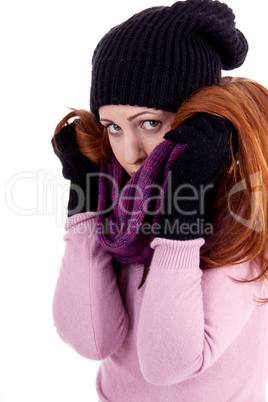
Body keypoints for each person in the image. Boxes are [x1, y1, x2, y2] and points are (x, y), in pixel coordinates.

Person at [51, 0, 268, 400]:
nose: (129, 152)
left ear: (199, 120)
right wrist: (83, 198)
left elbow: (168, 365)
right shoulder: (120, 208)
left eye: (149, 123)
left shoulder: (241, 219)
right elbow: (91, 340)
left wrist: (184, 209)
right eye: (113, 127)